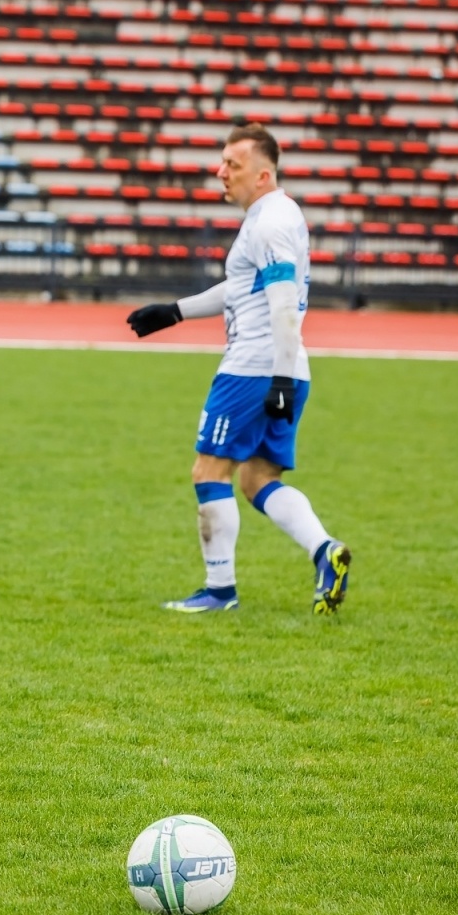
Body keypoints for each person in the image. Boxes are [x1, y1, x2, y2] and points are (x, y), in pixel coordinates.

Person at [126, 123, 351, 616]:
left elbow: (283, 303)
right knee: (257, 478)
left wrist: (279, 380)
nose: (221, 172)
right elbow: (244, 288)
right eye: (222, 161)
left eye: (233, 164)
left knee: (209, 469)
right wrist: (176, 312)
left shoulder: (269, 223)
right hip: (284, 366)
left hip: (254, 368)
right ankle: (325, 551)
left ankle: (219, 590)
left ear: (263, 174)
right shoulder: (275, 216)